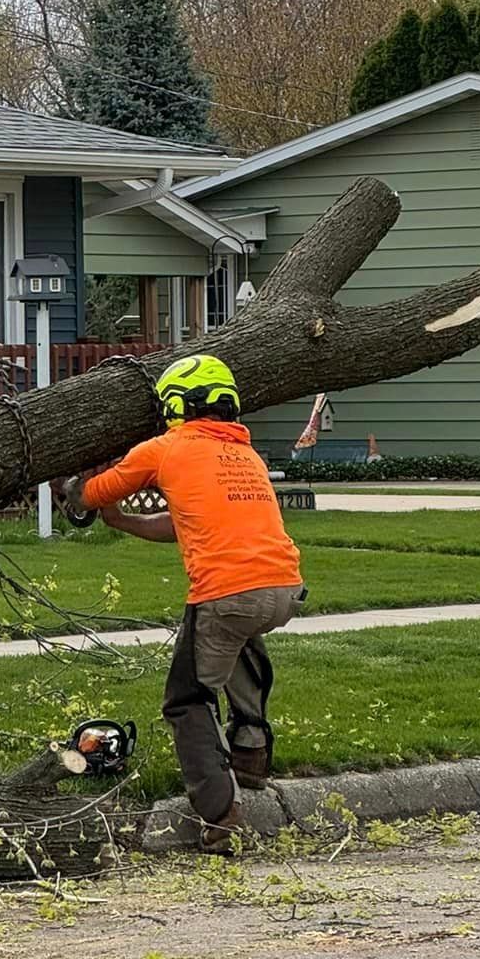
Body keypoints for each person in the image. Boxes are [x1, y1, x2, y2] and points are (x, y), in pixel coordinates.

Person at [70, 354, 304, 851]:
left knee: (187, 699)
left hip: (225, 591)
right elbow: (188, 525)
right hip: (282, 588)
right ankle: (251, 756)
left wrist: (74, 491)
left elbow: (96, 492)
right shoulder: (246, 456)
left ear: (176, 405)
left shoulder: (167, 447)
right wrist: (127, 523)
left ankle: (220, 816)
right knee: (239, 646)